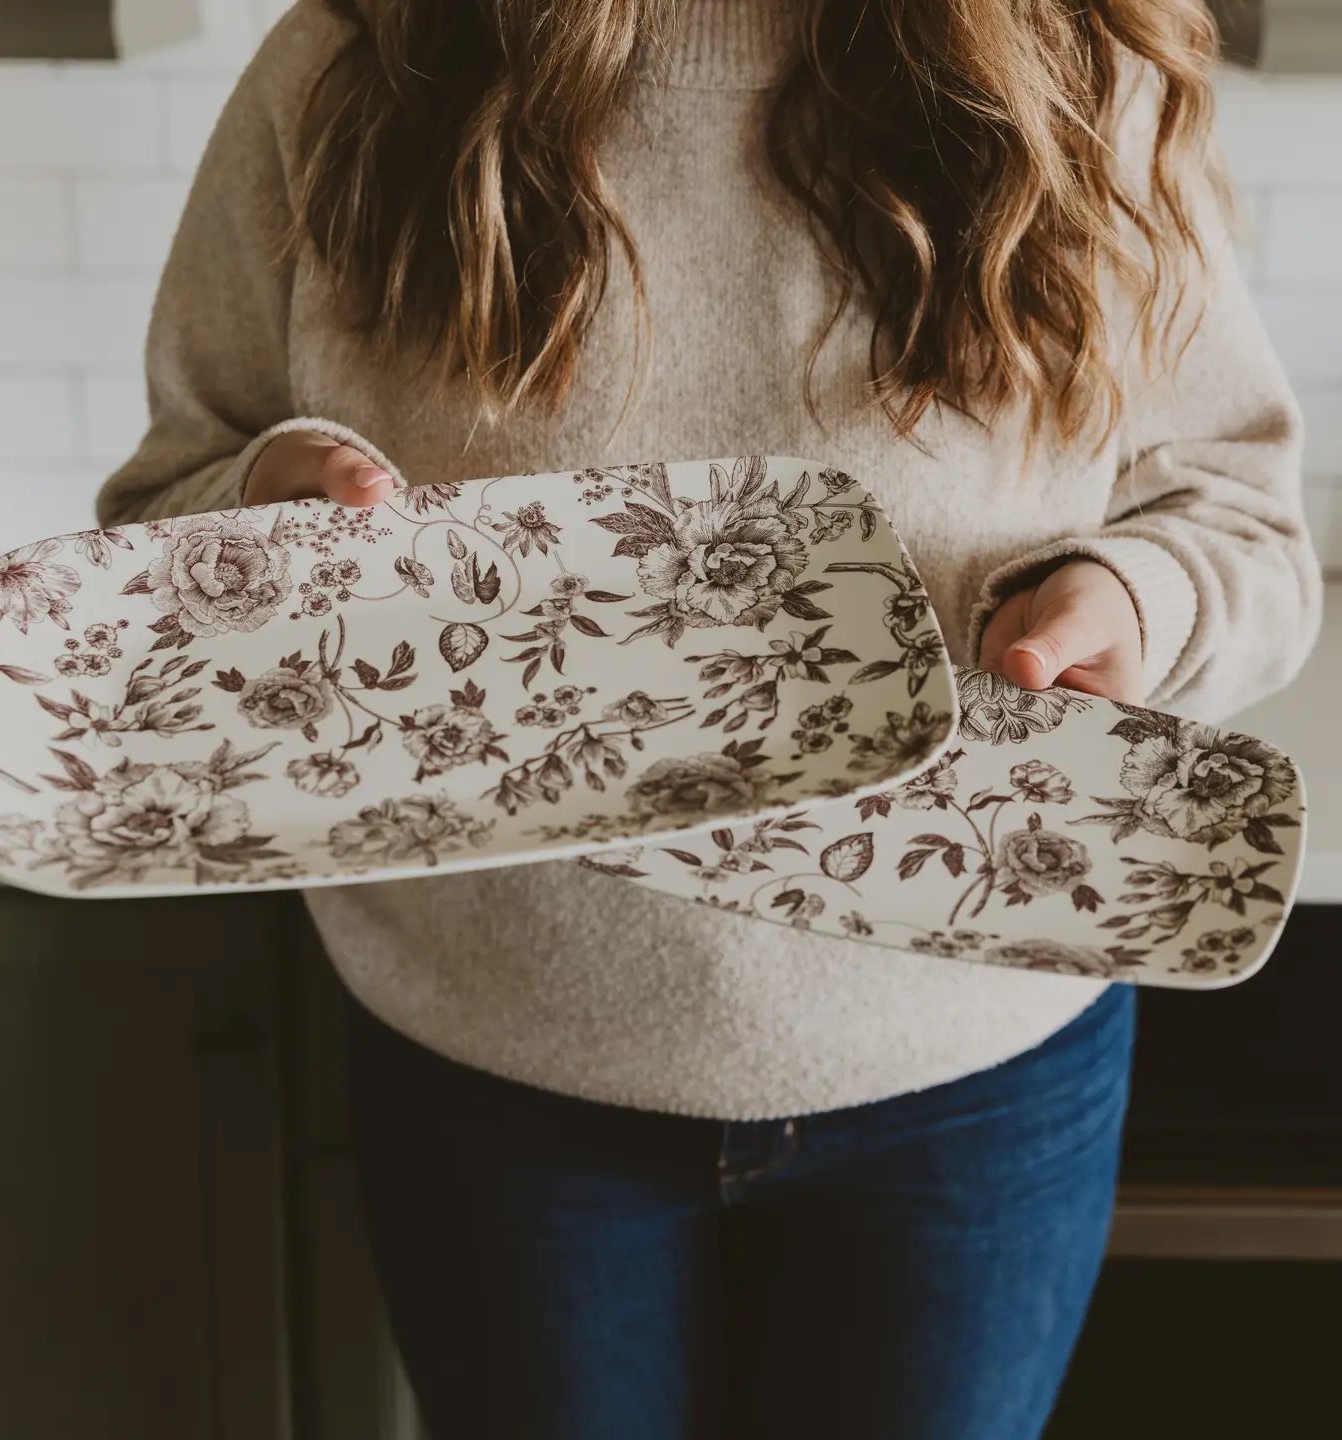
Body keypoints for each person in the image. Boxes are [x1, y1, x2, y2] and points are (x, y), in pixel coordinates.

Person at [97, 1, 1322, 1435]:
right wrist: (262, 520)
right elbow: (159, 516)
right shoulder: (359, 58)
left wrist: (1138, 600)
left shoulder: (1074, 61)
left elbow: (1241, 522)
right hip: (500, 1077)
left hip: (982, 1080)